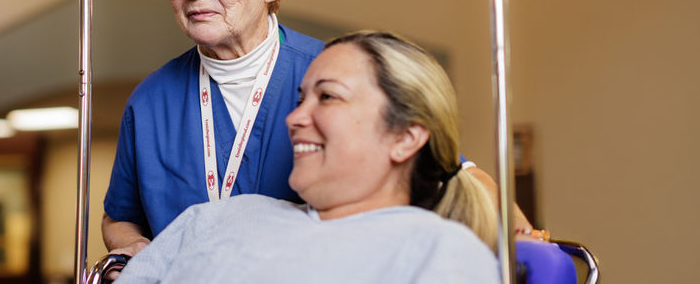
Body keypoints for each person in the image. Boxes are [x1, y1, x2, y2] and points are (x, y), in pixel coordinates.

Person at [102, 0, 533, 261]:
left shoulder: (335, 74)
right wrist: (136, 251)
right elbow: (120, 216)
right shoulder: (150, 101)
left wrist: (527, 243)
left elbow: (460, 179)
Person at [113, 31, 499, 283]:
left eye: (327, 97)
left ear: (405, 137)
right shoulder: (216, 219)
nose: (294, 118)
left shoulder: (437, 252)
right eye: (300, 99)